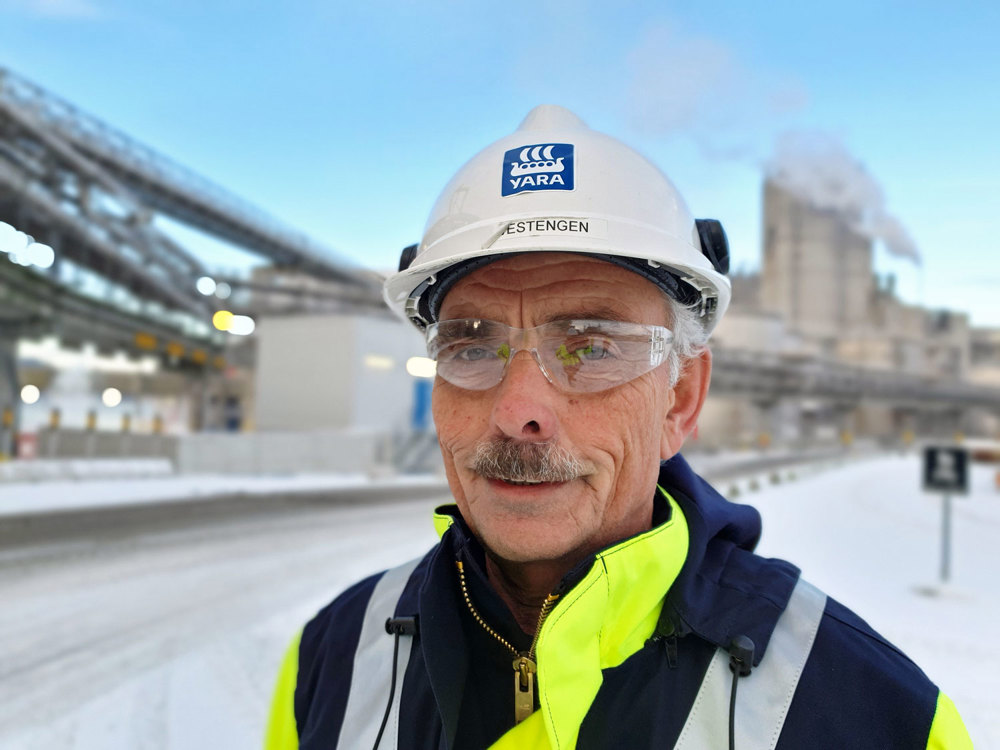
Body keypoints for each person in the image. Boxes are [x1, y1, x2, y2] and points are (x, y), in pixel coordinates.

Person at [265, 106, 971, 749]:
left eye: (591, 347)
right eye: (472, 346)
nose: (519, 412)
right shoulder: (329, 661)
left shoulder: (871, 715)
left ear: (680, 398)